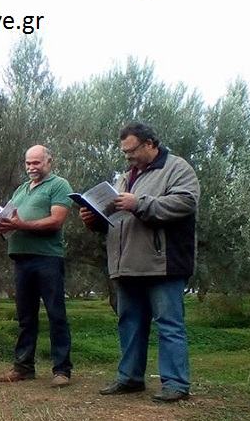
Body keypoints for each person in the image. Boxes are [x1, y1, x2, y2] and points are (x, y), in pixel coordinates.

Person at [80, 122, 199, 403]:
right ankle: (130, 378)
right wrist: (95, 219)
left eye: (131, 150)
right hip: (127, 262)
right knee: (129, 322)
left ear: (149, 144)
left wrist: (139, 203)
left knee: (169, 323)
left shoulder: (177, 168)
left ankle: (176, 384)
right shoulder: (125, 177)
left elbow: (185, 202)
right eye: (124, 152)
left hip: (162, 262)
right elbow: (120, 219)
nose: (127, 157)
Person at [0, 145, 74, 388]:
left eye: (36, 163)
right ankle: (23, 367)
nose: (31, 168)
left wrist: (21, 225)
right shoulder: (20, 189)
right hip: (21, 258)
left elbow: (56, 220)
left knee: (55, 314)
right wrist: (4, 223)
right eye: (28, 163)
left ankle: (61, 369)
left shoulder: (59, 185)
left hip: (47, 257)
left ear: (49, 162)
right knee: (25, 316)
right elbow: (13, 217)